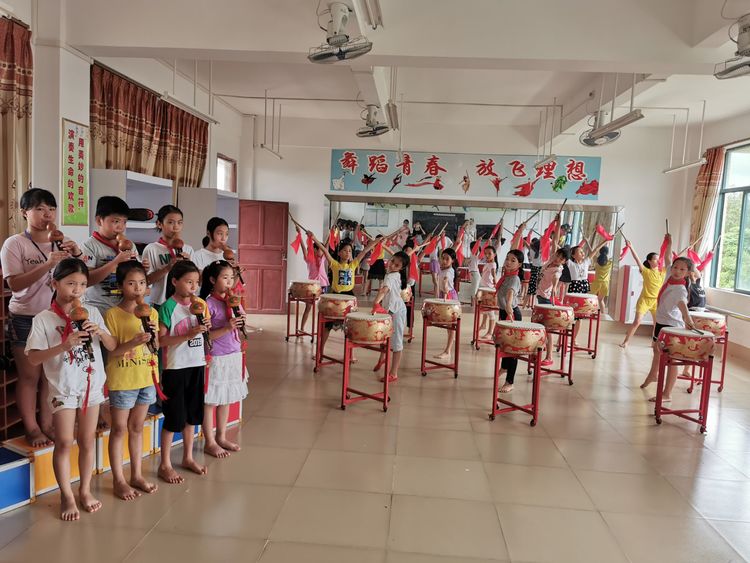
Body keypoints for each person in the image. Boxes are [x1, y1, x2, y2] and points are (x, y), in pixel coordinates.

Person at [25, 259, 116, 521]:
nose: (77, 290)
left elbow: (111, 346)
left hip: (92, 386)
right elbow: (33, 358)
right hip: (63, 388)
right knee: (65, 442)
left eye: (83, 284)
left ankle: (85, 490)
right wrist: (64, 346)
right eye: (71, 283)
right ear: (55, 284)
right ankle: (66, 495)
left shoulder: (92, 312)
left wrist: (100, 332)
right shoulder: (44, 319)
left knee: (87, 440)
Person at [1, 188, 83, 447]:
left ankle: (47, 424)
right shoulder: (15, 243)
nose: (47, 214)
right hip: (26, 317)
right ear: (24, 213)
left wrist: (76, 254)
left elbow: (81, 278)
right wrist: (48, 264)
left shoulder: (61, 241)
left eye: (51, 208)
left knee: (51, 374)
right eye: (39, 209)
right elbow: (14, 284)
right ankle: (32, 428)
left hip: (57, 317)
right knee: (29, 376)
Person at [103, 261, 160, 500]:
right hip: (123, 379)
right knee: (119, 429)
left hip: (146, 377)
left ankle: (136, 475)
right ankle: (119, 480)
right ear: (120, 286)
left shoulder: (152, 312)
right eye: (131, 283)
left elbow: (156, 347)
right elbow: (113, 351)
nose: (138, 288)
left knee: (137, 427)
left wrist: (153, 336)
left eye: (142, 283)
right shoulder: (112, 315)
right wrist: (133, 343)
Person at [157, 260, 211, 484]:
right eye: (189, 282)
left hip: (196, 364)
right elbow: (161, 341)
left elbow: (206, 333)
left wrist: (205, 332)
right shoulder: (167, 307)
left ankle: (188, 457)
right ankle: (165, 464)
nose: (194, 287)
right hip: (175, 368)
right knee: (174, 417)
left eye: (196, 282)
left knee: (192, 415)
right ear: (174, 281)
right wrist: (188, 335)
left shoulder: (200, 304)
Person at [199, 260, 248, 458]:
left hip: (233, 354)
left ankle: (221, 436)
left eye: (231, 278)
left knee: (225, 398)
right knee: (210, 401)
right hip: (216, 357)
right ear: (212, 280)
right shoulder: (207, 304)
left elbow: (242, 323)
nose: (229, 282)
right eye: (224, 278)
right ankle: (209, 441)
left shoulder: (233, 300)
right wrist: (227, 327)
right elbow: (205, 336)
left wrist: (241, 320)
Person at [308, 232, 379, 358]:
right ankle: (319, 352)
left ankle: (350, 355)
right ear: (339, 253)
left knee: (350, 326)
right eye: (345, 250)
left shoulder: (353, 264)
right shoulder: (334, 264)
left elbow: (364, 251)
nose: (348, 253)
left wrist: (375, 243)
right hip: (335, 297)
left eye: (350, 251)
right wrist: (313, 238)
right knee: (327, 327)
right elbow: (325, 250)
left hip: (349, 297)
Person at [640, 243, 696, 402]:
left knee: (672, 360)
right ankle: (653, 375)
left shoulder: (680, 289)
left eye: (682, 270)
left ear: (688, 273)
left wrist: (688, 319)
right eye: (675, 267)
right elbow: (667, 258)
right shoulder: (669, 276)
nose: (677, 271)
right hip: (661, 322)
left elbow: (682, 304)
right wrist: (668, 242)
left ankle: (667, 393)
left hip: (672, 326)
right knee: (656, 349)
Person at [80, 196, 141, 315]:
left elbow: (137, 276)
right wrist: (115, 262)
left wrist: (143, 268)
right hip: (98, 308)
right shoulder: (89, 245)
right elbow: (86, 280)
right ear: (99, 221)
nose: (121, 227)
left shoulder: (129, 244)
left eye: (124, 222)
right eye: (116, 221)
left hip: (124, 309)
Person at [142, 205, 194, 310]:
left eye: (180, 222)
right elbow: (147, 281)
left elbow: (194, 280)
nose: (176, 227)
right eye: (171, 222)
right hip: (160, 303)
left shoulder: (188, 249)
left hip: (183, 303)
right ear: (159, 224)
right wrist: (167, 268)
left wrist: (189, 266)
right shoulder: (152, 249)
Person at [620, 243, 667, 348]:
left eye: (659, 259)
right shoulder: (645, 271)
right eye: (655, 259)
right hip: (644, 301)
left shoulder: (663, 271)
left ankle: (654, 343)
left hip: (656, 302)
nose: (658, 261)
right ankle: (626, 342)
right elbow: (636, 259)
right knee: (637, 322)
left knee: (657, 324)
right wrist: (631, 247)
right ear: (649, 261)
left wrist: (672, 246)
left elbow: (671, 261)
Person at [371, 251, 409, 382]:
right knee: (384, 337)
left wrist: (376, 303)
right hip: (391, 310)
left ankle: (393, 373)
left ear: (401, 268)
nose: (392, 265)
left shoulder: (392, 276)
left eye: (396, 265)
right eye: (392, 261)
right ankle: (382, 359)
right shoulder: (392, 274)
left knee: (396, 342)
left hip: (397, 311)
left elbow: (384, 290)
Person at [567, 238, 609, 345]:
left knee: (579, 318)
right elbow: (561, 252)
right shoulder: (570, 264)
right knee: (571, 315)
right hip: (574, 289)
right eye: (580, 252)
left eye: (582, 251)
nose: (583, 253)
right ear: (573, 255)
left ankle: (574, 339)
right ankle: (562, 339)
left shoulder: (586, 262)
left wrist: (604, 241)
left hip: (584, 289)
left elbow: (595, 250)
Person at [496, 249, 525, 393]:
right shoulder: (507, 276)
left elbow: (510, 293)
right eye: (507, 258)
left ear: (519, 264)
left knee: (513, 350)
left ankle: (510, 381)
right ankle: (504, 367)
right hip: (504, 312)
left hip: (512, 314)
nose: (508, 262)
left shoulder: (514, 278)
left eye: (513, 260)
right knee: (504, 344)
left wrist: (508, 304)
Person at [536, 247, 570, 366]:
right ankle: (542, 348)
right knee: (541, 327)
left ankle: (549, 356)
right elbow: (555, 243)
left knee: (547, 329)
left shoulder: (558, 269)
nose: (557, 259)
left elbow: (556, 277)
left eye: (561, 258)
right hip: (541, 296)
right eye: (557, 255)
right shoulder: (550, 261)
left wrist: (555, 287)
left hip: (546, 298)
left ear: (564, 262)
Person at [295, 225, 329, 332]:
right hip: (312, 286)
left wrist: (330, 233)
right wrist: (299, 234)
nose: (321, 252)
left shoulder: (323, 258)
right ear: (314, 249)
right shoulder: (309, 258)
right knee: (308, 307)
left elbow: (325, 246)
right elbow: (303, 247)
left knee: (323, 309)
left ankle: (321, 330)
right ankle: (301, 328)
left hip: (323, 285)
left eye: (322, 250)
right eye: (319, 249)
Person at [435, 248, 459, 361]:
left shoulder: (449, 271)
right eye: (443, 258)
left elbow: (446, 288)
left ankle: (447, 351)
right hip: (444, 296)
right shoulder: (444, 269)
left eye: (447, 259)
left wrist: (445, 285)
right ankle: (450, 343)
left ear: (452, 260)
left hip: (449, 297)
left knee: (451, 326)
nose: (444, 261)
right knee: (449, 327)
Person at [478, 242, 501, 339]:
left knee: (490, 311)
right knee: (485, 309)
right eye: (485, 253)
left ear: (494, 255)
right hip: (484, 288)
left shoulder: (493, 264)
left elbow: (493, 274)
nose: (487, 255)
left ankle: (490, 332)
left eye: (489, 253)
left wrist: (496, 284)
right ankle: (483, 324)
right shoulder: (488, 263)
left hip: (489, 290)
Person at [590, 246, 613, 315]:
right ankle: (603, 314)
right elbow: (621, 256)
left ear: (600, 252)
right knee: (600, 300)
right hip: (605, 284)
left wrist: (588, 243)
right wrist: (627, 248)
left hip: (596, 283)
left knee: (590, 298)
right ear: (607, 253)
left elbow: (592, 252)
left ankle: (590, 311)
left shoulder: (597, 261)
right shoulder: (610, 262)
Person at [523, 238, 542, 309]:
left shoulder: (532, 251)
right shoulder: (541, 252)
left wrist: (521, 236)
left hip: (534, 270)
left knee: (530, 290)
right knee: (538, 291)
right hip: (540, 271)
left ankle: (524, 306)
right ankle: (534, 306)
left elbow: (527, 244)